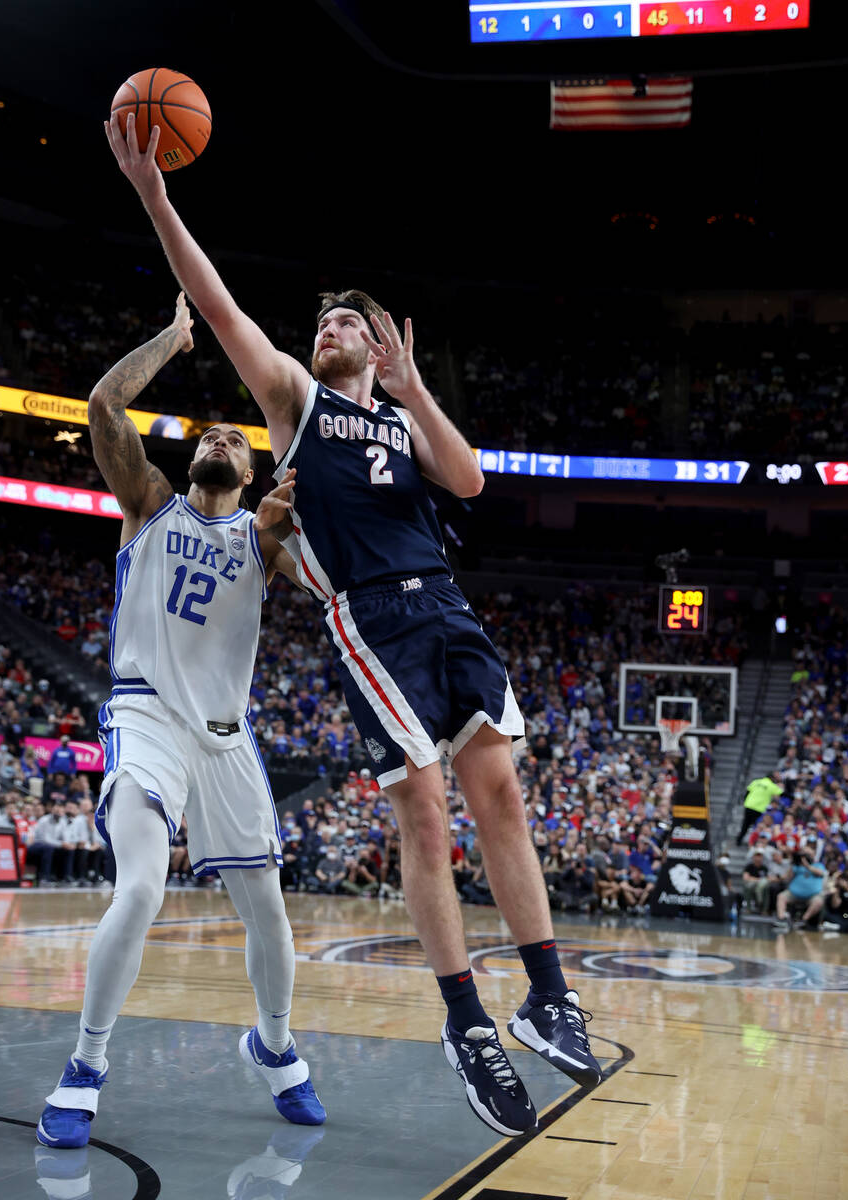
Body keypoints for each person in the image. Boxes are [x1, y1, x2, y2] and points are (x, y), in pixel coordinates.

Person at [105, 113, 603, 1139]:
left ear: (378, 344)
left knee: (499, 791)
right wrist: (157, 195)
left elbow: (468, 478)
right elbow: (220, 302)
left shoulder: (402, 414)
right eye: (321, 317)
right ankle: (466, 1020)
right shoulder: (296, 401)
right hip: (369, 621)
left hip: (446, 607)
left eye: (344, 320)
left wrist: (419, 390)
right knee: (423, 809)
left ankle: (549, 994)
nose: (325, 324)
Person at [36, 294, 325, 1152]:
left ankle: (272, 1047)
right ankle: (85, 1067)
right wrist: (174, 335)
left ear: (252, 469)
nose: (221, 439)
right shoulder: (150, 502)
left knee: (267, 913)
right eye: (210, 434)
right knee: (141, 887)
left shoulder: (265, 537)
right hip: (146, 715)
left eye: (237, 438)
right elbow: (102, 409)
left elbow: (327, 588)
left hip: (226, 737)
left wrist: (303, 522)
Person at [736, 771, 783, 845]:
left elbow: (748, 791)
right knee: (757, 826)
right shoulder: (771, 785)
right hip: (759, 808)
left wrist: (745, 801)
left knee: (745, 824)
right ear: (771, 778)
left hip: (749, 805)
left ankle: (739, 840)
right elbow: (781, 793)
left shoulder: (756, 781)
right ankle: (754, 842)